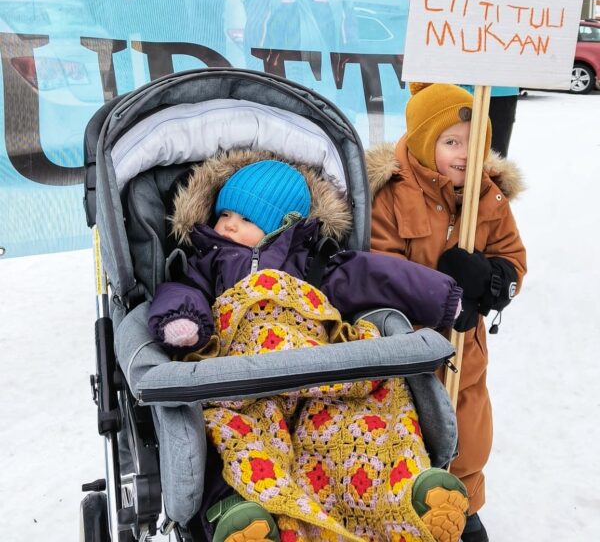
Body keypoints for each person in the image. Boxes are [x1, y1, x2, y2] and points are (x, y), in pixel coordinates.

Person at [148, 155, 471, 542]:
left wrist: (444, 299)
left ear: (284, 225)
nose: (230, 224)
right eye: (225, 213)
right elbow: (181, 293)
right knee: (232, 436)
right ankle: (240, 514)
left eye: (248, 219)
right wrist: (183, 320)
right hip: (242, 385)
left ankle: (408, 495)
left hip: (320, 379)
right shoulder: (205, 264)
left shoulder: (316, 265)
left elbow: (377, 277)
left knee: (357, 428)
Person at [367, 83, 527, 542]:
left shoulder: (487, 196)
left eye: (472, 142)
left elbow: (513, 257)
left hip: (466, 350)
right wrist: (444, 292)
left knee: (469, 437)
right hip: (410, 354)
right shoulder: (391, 195)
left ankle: (463, 504)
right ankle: (408, 510)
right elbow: (381, 269)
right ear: (422, 142)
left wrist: (492, 280)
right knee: (410, 434)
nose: (463, 154)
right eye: (450, 141)